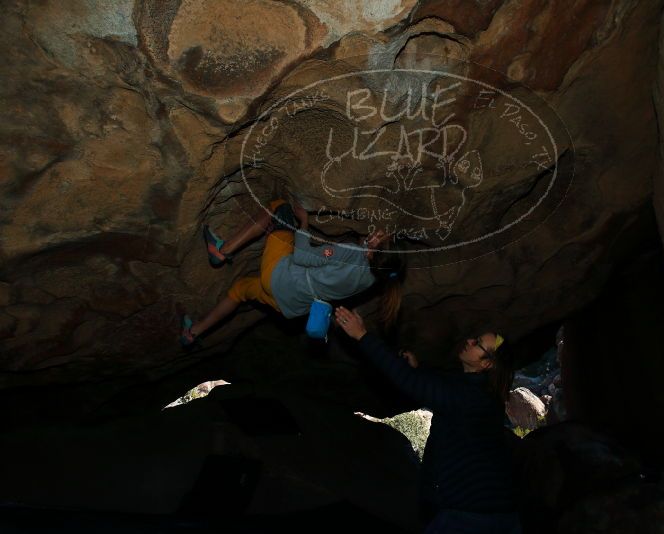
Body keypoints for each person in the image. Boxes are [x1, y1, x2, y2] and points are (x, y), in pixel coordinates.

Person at [334, 306, 522, 534]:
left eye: (478, 344)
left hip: (473, 515)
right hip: (492, 511)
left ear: (486, 364)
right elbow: (443, 384)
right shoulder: (481, 393)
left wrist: (362, 336)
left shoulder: (470, 397)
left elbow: (411, 383)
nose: (470, 341)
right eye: (476, 338)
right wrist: (419, 368)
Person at [180, 199, 404, 346]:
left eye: (381, 237)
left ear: (376, 250)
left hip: (281, 277)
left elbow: (302, 256)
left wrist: (304, 224)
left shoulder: (352, 252)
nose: (379, 233)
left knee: (278, 208)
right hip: (290, 304)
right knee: (240, 290)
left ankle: (221, 251)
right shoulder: (373, 280)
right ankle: (193, 333)